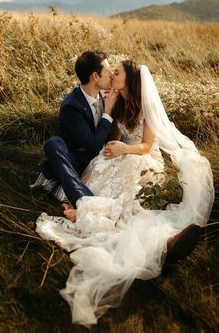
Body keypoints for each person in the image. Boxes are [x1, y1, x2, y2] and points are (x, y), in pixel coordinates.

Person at [35, 60, 214, 326]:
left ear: (129, 79)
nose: (112, 75)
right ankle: (98, 210)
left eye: (116, 72)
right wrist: (113, 145)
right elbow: (110, 138)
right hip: (116, 156)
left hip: (141, 158)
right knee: (105, 164)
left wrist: (123, 150)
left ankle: (164, 241)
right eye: (110, 71)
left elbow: (145, 146)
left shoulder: (145, 105)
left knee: (129, 173)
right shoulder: (110, 103)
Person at [31, 50, 117, 208]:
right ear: (95, 76)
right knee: (53, 143)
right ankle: (86, 201)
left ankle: (73, 191)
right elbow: (92, 145)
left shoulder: (107, 95)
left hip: (104, 158)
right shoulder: (71, 106)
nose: (111, 74)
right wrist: (108, 113)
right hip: (77, 159)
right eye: (107, 70)